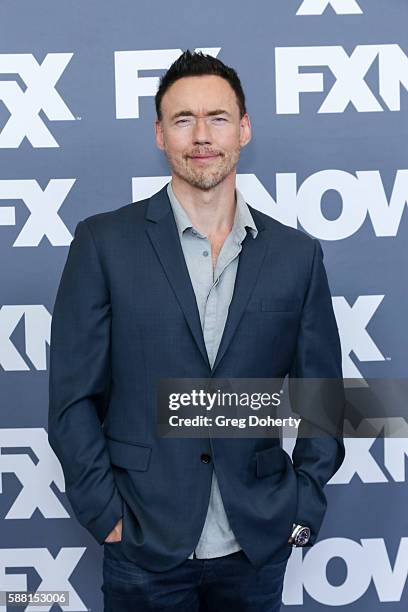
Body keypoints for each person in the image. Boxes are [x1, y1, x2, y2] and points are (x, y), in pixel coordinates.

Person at [48, 50, 345, 611]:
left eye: (218, 118)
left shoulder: (296, 257)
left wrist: (302, 506)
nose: (201, 136)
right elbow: (71, 399)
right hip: (142, 543)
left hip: (255, 545)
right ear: (161, 135)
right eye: (183, 120)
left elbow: (321, 399)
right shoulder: (103, 243)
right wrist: (105, 514)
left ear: (245, 128)